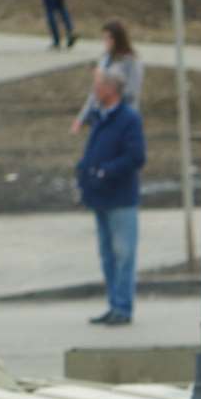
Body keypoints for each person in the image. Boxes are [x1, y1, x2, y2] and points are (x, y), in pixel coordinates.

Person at [76, 70, 145, 327]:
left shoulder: (128, 119)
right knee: (107, 255)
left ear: (111, 89)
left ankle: (123, 307)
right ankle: (113, 304)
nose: (94, 90)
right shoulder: (100, 117)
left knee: (124, 253)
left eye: (98, 85)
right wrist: (85, 172)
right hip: (100, 196)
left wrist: (106, 171)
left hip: (121, 197)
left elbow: (136, 157)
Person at [73, 20, 142, 135]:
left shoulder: (131, 61)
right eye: (104, 39)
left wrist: (109, 88)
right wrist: (81, 118)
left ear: (118, 39)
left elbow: (132, 92)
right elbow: (94, 92)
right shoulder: (105, 58)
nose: (105, 42)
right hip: (101, 115)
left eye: (108, 38)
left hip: (122, 118)